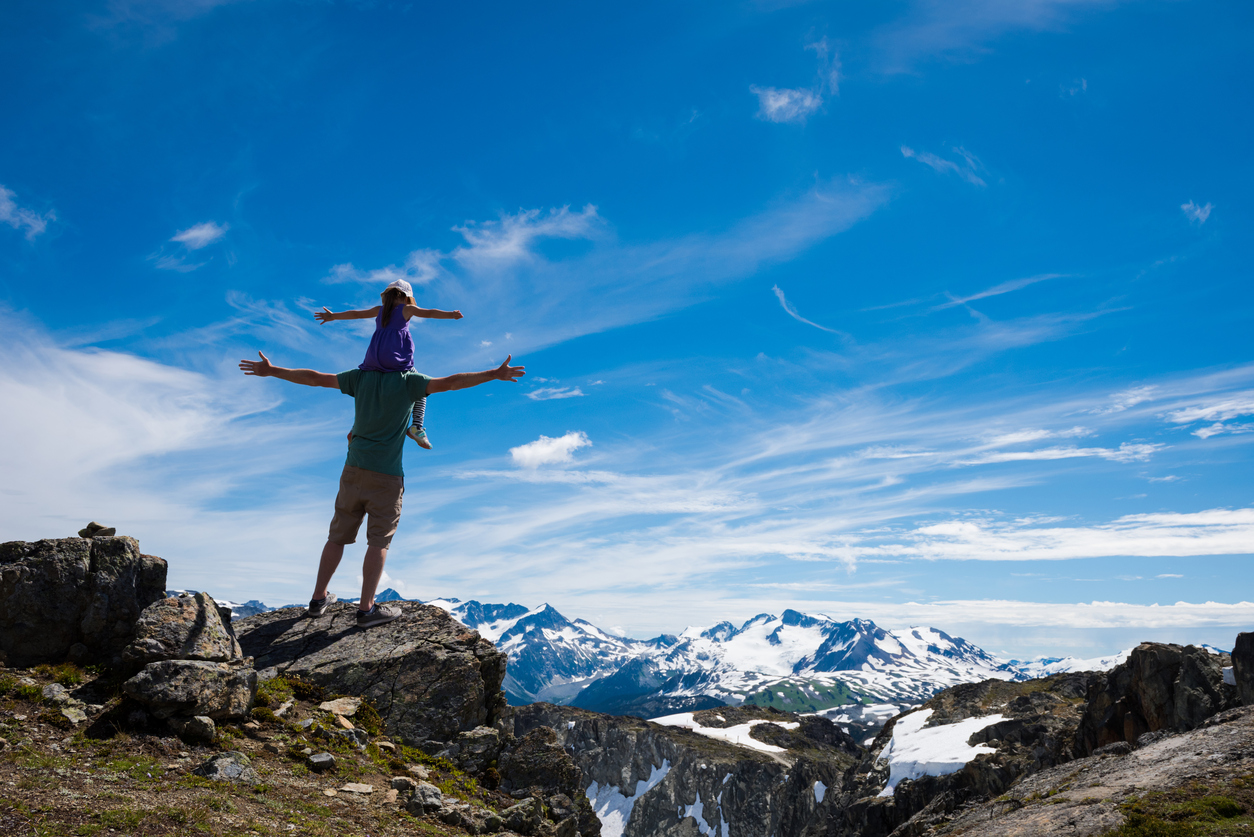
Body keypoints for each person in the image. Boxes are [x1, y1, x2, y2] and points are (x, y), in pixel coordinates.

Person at [238, 349, 525, 628]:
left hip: (353, 470)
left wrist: (273, 370)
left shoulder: (359, 377)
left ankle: (317, 600)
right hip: (386, 476)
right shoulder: (410, 382)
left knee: (336, 537)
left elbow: (314, 377)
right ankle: (366, 610)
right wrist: (494, 374)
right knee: (378, 542)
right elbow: (451, 382)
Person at [314, 278, 463, 450]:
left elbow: (356, 314)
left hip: (374, 361)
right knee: (422, 388)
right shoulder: (407, 309)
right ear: (406, 297)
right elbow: (428, 313)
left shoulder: (380, 310)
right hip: (396, 361)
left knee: (370, 393)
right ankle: (417, 427)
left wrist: (333, 316)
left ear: (387, 296)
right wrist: (450, 314)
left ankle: (355, 429)